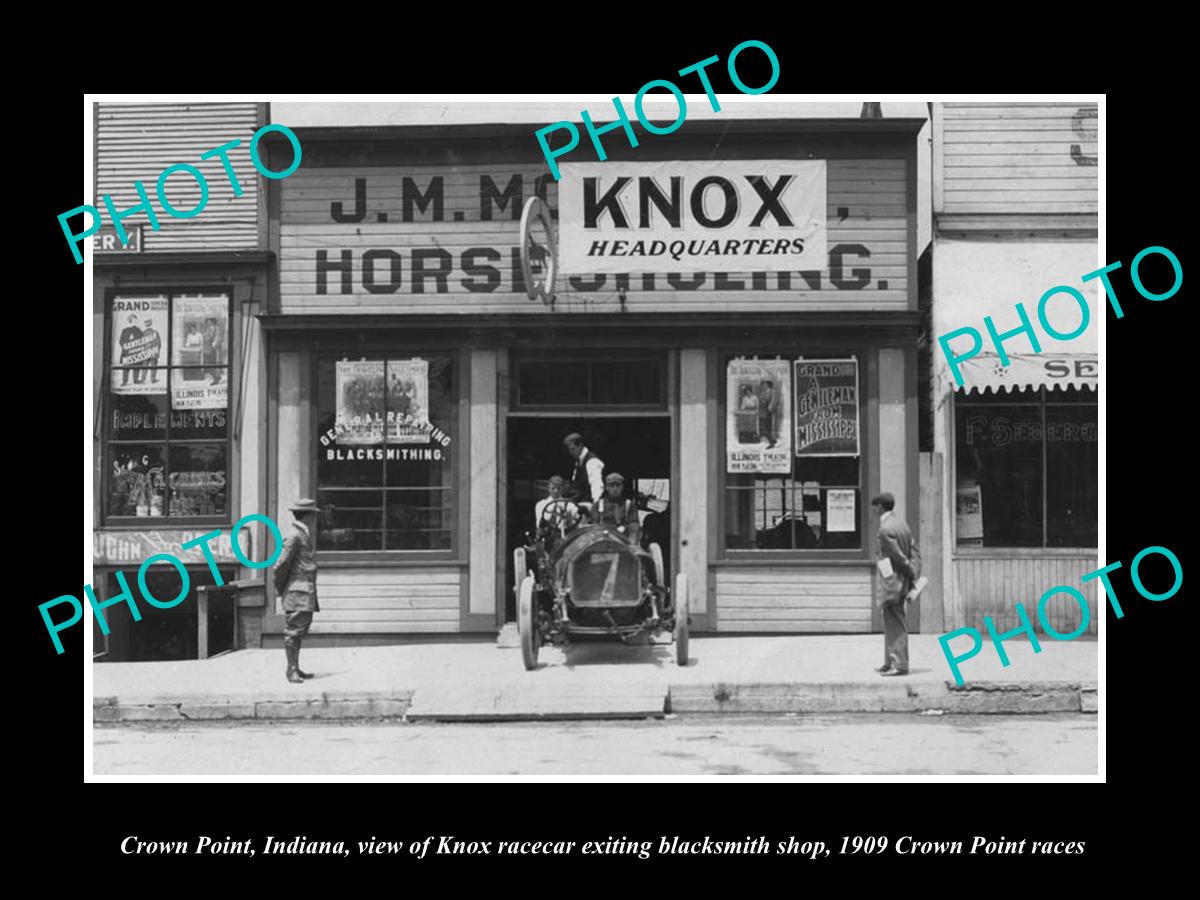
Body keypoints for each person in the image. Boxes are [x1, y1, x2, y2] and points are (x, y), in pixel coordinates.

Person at [871, 492, 921, 676]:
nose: (873, 511)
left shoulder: (885, 529)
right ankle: (889, 661)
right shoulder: (902, 524)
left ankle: (899, 665)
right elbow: (914, 550)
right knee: (891, 621)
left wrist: (909, 571)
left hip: (893, 582)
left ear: (880, 507)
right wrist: (914, 572)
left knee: (895, 622)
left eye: (874, 508)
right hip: (901, 580)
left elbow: (898, 557)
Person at [273, 498, 321, 683]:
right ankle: (291, 670)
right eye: (313, 515)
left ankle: (295, 667)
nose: (315, 518)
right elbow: (280, 565)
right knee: (293, 630)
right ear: (308, 516)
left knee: (299, 629)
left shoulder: (302, 533)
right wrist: (283, 588)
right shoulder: (294, 535)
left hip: (303, 589)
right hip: (297, 590)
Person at [595, 472, 640, 543]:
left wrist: (632, 546)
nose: (615, 488)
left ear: (622, 487)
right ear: (606, 487)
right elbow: (593, 528)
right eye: (612, 485)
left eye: (618, 485)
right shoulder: (598, 505)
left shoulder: (629, 504)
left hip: (623, 543)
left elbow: (634, 528)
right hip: (602, 542)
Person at [563, 432, 604, 508]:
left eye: (573, 449)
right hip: (578, 503)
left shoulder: (592, 462)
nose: (571, 452)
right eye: (569, 450)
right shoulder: (578, 461)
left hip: (589, 504)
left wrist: (596, 507)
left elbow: (597, 486)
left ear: (580, 446)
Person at [117, 315, 142, 386]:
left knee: (136, 367)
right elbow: (121, 341)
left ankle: (134, 380)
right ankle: (126, 381)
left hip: (133, 352)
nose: (137, 321)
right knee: (127, 368)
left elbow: (142, 340)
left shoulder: (137, 330)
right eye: (135, 320)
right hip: (129, 352)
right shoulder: (126, 330)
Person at [758, 379, 781, 448]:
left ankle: (772, 443)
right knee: (765, 427)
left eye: (764, 384)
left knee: (771, 427)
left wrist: (769, 408)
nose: (763, 385)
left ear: (768, 384)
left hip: (771, 412)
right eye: (763, 384)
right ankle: (771, 440)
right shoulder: (763, 393)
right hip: (764, 413)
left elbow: (774, 401)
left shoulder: (773, 392)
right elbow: (761, 401)